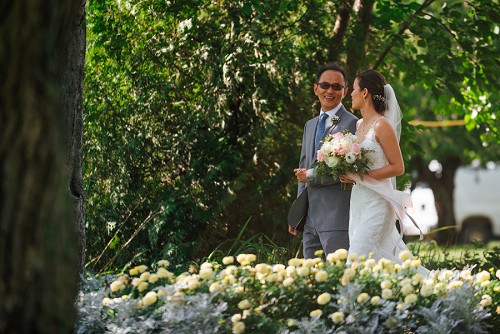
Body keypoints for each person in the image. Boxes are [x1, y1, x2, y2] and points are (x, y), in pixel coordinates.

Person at [341, 69, 428, 274]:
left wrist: (362, 177)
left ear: (364, 93)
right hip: (359, 200)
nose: (350, 94)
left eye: (353, 89)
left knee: (356, 259)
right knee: (380, 260)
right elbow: (360, 165)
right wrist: (349, 175)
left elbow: (397, 167)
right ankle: (409, 292)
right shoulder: (359, 124)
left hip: (378, 202)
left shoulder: (382, 125)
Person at [289, 62, 358, 259]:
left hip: (337, 218)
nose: (330, 91)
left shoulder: (352, 124)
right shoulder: (310, 125)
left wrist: (308, 176)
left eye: (336, 87)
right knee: (312, 280)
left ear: (345, 91)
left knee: (338, 278)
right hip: (309, 219)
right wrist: (297, 215)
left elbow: (346, 171)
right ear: (315, 88)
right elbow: (303, 168)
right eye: (325, 85)